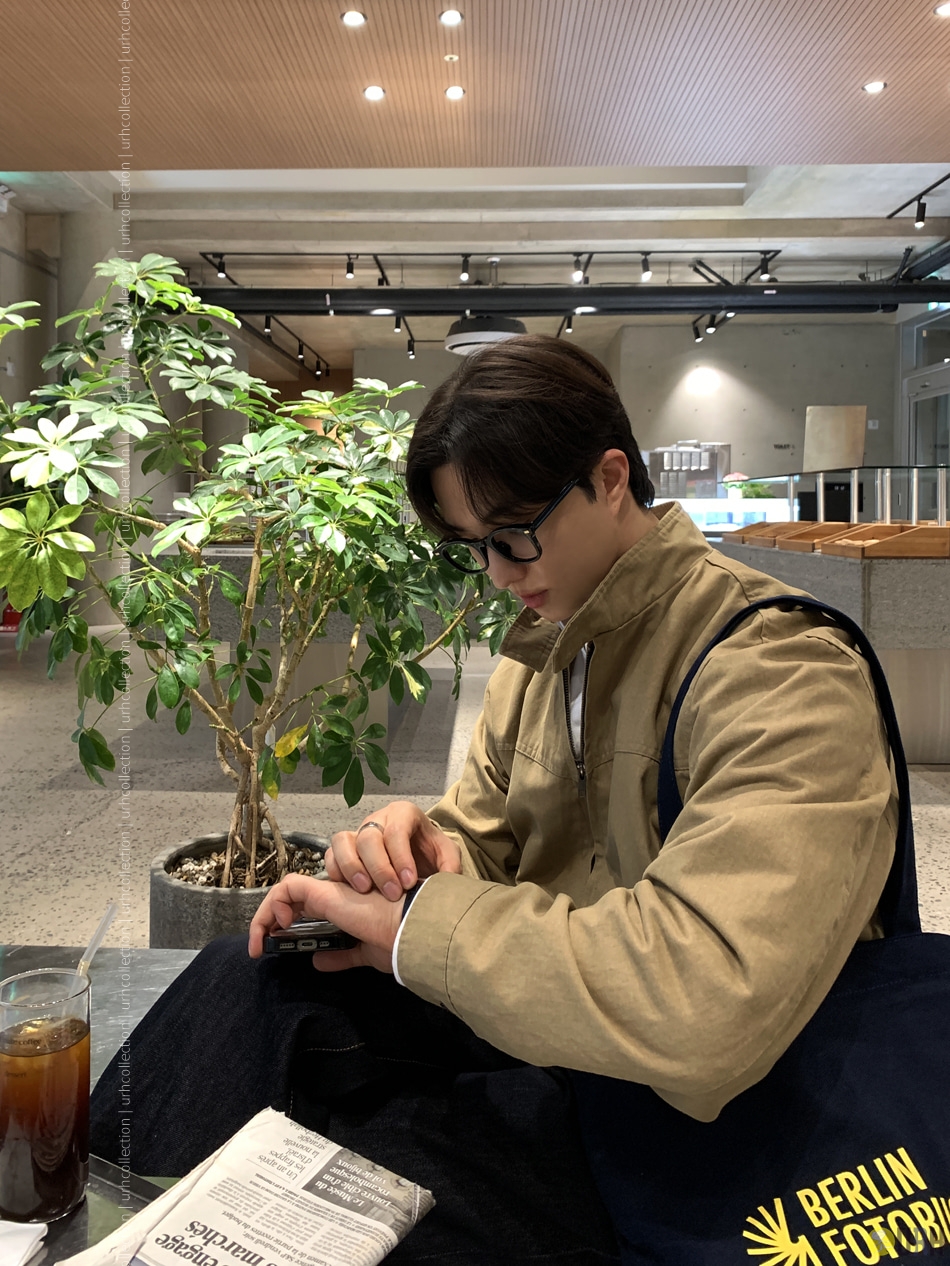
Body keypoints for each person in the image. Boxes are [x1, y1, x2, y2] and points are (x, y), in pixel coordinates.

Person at [90, 335, 896, 1264]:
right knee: (257, 976)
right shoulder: (551, 644)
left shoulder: (780, 669)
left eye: (514, 534)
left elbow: (706, 1001)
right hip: (547, 1036)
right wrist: (412, 850)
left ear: (610, 478)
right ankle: (77, 1227)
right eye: (475, 547)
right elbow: (488, 836)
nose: (501, 573)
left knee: (351, 1168)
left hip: (695, 1126)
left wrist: (418, 928)